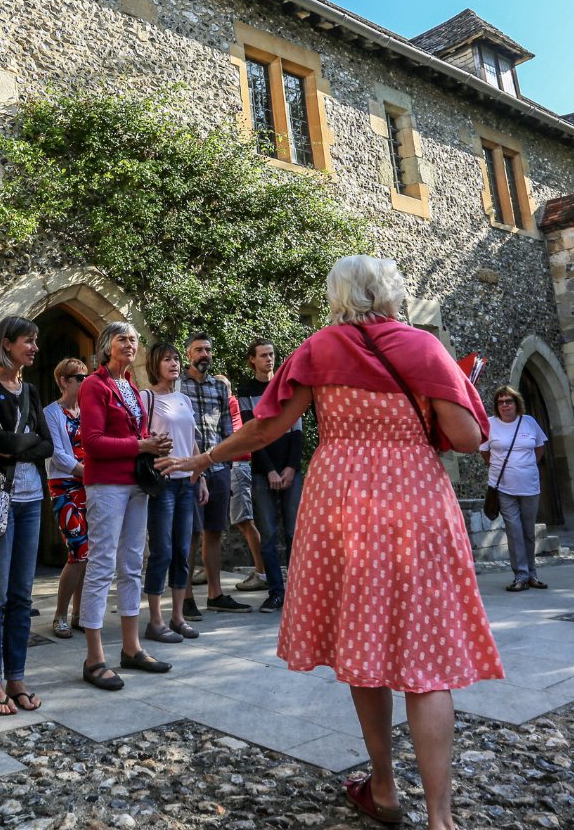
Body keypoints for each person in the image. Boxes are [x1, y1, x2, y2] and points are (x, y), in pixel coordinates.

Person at [166, 256, 502, 830]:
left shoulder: (318, 350)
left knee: (365, 645)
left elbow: (267, 427)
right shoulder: (424, 348)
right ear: (391, 292)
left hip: (342, 502)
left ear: (338, 295)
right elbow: (470, 438)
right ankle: (442, 820)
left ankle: (385, 788)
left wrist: (204, 457)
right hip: (417, 500)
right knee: (428, 666)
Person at [77, 322, 173, 691]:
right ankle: (94, 657)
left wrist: (151, 444)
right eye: (123, 338)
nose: (130, 344)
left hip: (135, 484)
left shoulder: (131, 386)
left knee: (133, 562)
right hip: (106, 485)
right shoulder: (94, 385)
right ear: (106, 346)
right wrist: (141, 447)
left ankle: (131, 648)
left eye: (134, 339)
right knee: (102, 564)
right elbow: (94, 442)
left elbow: (135, 434)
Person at [0, 316, 54, 715]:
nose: (34, 347)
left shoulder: (31, 390)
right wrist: (23, 443)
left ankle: (16, 677)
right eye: (27, 341)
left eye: (35, 341)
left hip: (31, 499)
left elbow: (47, 445)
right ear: (6, 344)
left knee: (21, 596)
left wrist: (17, 446)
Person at [179, 333, 251, 619]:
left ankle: (215, 594)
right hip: (189, 468)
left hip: (219, 468)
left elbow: (227, 430)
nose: (204, 354)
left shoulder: (219, 388)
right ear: (189, 355)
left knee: (214, 532)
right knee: (190, 534)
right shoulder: (177, 385)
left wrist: (225, 460)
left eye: (207, 349)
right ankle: (184, 597)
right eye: (198, 350)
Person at [236, 340, 304, 614]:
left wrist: (289, 468)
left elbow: (297, 431)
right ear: (252, 359)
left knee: (293, 533)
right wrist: (271, 470)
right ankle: (276, 592)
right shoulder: (246, 390)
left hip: (291, 471)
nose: (269, 359)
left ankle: (298, 592)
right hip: (264, 472)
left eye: (272, 354)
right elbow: (251, 434)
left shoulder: (287, 386)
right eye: (263, 355)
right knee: (269, 535)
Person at [142, 343, 201, 642]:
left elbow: (191, 441)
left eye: (177, 359)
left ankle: (178, 617)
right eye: (167, 359)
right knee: (162, 551)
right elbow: (139, 439)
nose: (174, 364)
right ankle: (155, 621)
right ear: (155, 364)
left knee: (182, 551)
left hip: (185, 484)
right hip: (162, 482)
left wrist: (198, 475)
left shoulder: (184, 399)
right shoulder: (146, 398)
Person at [481, 385, 549, 592]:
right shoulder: (490, 424)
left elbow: (539, 448)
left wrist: (526, 467)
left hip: (530, 487)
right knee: (514, 531)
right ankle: (520, 575)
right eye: (500, 402)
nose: (504, 405)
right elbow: (485, 453)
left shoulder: (529, 423)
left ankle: (532, 575)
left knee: (528, 532)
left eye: (508, 401)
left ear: (516, 403)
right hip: (503, 487)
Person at [44, 357, 90, 638]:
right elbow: (57, 453)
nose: (86, 382)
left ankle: (79, 614)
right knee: (78, 551)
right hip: (64, 487)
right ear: (64, 381)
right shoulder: (51, 412)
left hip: (91, 487)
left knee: (90, 554)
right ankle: (60, 614)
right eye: (80, 377)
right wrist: (86, 472)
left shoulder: (89, 410)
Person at [215, 373, 266, 596]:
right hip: (229, 465)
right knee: (216, 523)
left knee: (244, 521)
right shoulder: (230, 403)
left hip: (236, 465)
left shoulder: (229, 404)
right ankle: (211, 570)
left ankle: (261, 572)